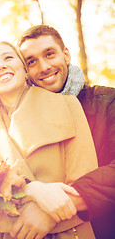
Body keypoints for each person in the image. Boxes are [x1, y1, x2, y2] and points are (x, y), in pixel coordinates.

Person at [0, 41, 98, 239]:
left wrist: (47, 215)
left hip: (68, 231)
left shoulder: (66, 105)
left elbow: (85, 184)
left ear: (24, 69)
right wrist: (31, 190)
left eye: (8, 57)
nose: (0, 66)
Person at [17, 24, 115, 239]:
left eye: (49, 54)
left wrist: (57, 208)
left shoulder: (108, 101)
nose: (43, 67)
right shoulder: (21, 122)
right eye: (31, 61)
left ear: (66, 55)